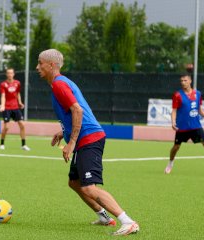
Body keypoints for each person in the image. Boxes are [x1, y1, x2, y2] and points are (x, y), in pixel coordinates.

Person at [36, 49, 139, 236]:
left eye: (40, 63)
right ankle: (104, 216)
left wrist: (72, 142)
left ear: (51, 65)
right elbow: (76, 111)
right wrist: (64, 132)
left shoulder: (59, 84)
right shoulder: (60, 84)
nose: (37, 67)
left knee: (89, 188)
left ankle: (128, 221)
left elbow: (78, 111)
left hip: (89, 139)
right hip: (85, 137)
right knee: (74, 182)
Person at [164, 74, 204, 176]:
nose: (183, 82)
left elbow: (199, 109)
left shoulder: (198, 94)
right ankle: (170, 164)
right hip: (182, 127)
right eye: (181, 81)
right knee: (175, 148)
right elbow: (174, 111)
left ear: (190, 81)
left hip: (196, 126)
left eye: (185, 80)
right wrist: (173, 122)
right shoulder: (177, 95)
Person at [0, 68, 30, 151]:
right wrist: (2, 105)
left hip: (15, 107)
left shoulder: (17, 83)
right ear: (6, 74)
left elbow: (18, 93)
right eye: (8, 73)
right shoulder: (3, 84)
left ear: (14, 74)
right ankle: (2, 144)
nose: (10, 74)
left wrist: (20, 102)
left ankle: (23, 145)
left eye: (11, 73)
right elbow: (3, 96)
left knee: (22, 125)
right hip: (7, 108)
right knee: (6, 128)